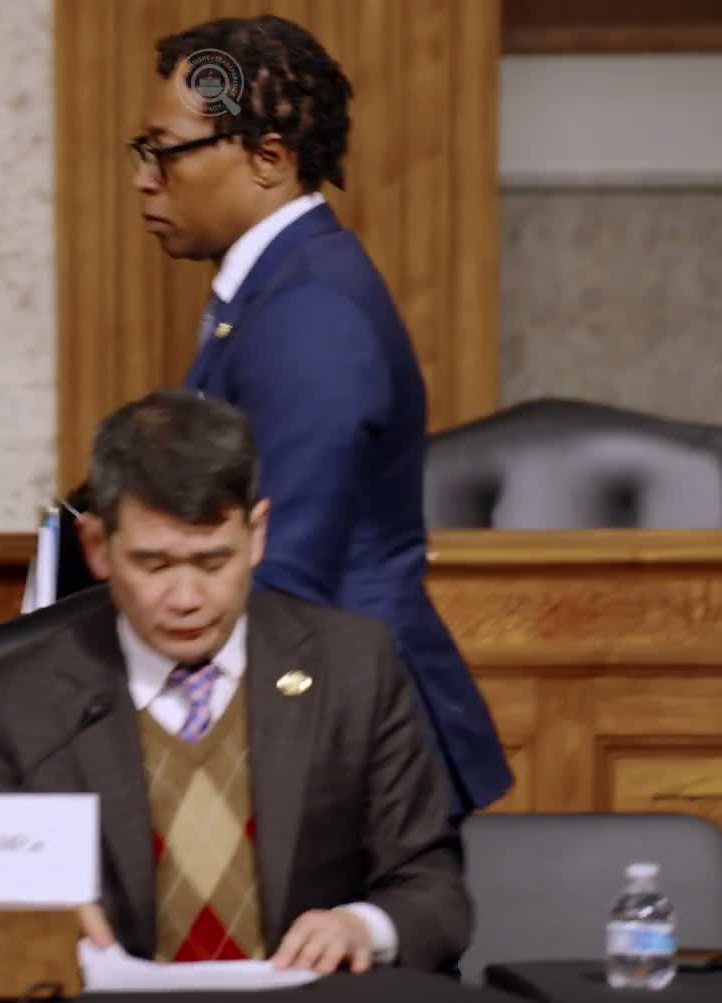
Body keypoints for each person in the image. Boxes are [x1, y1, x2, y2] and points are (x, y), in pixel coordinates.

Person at [132, 14, 510, 814]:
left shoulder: (309, 314)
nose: (144, 178)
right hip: (328, 716)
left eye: (164, 151)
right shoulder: (280, 288)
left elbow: (287, 566)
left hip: (354, 742)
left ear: (268, 158)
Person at [0, 391, 470, 974]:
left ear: (257, 534)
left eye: (212, 562)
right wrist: (28, 926)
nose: (186, 599)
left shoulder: (352, 669)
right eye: (154, 565)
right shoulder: (20, 700)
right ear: (98, 547)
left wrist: (361, 926)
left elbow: (433, 891)